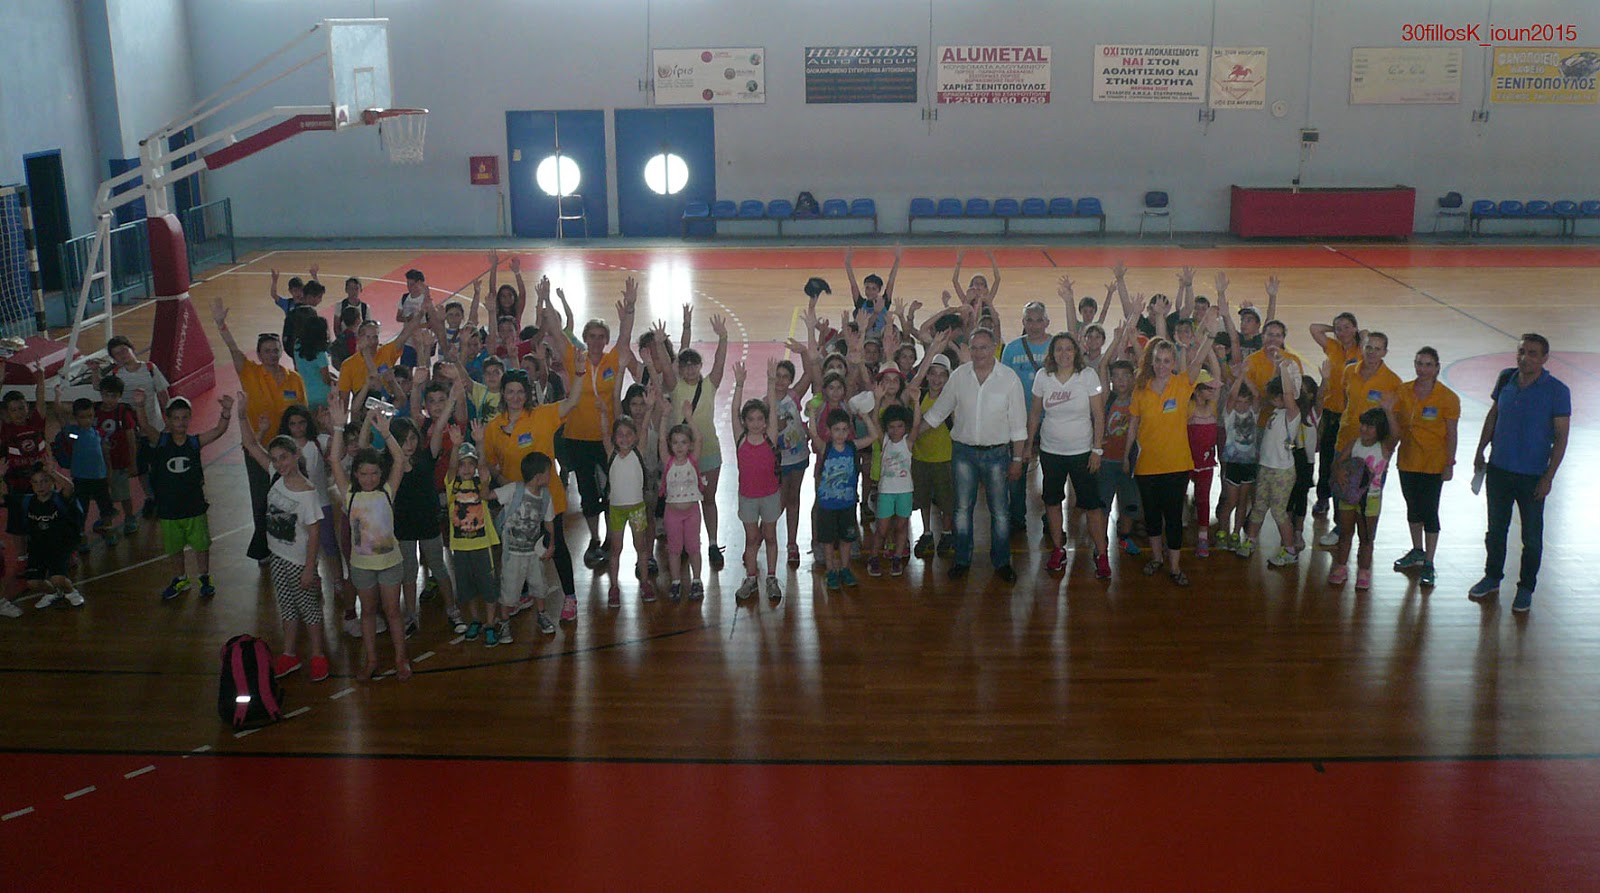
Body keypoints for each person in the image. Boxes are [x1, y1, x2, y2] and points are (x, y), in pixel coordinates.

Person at [1470, 334, 1570, 613]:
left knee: (1532, 537)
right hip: (1499, 471)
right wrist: (1480, 449)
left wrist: (1548, 477)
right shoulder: (1506, 378)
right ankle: (1492, 577)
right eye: (1522, 351)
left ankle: (1526, 588)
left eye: (1533, 353)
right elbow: (1494, 415)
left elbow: (1561, 437)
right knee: (1495, 530)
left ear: (1545, 358)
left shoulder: (1557, 391)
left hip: (1532, 476)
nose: (1525, 358)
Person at [920, 327, 1027, 583]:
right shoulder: (959, 376)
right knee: (961, 510)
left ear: (994, 348)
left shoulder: (1009, 379)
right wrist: (911, 437)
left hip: (998, 455)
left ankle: (1002, 562)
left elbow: (1018, 425)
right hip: (964, 454)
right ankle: (962, 560)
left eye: (984, 347)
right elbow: (937, 413)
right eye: (975, 348)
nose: (979, 353)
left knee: (1000, 512)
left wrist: (1017, 459)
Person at [481, 368, 583, 620]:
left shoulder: (543, 415)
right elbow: (491, 461)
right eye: (510, 391)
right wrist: (503, 482)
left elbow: (572, 401)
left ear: (527, 394)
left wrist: (579, 373)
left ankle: (570, 597)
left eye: (520, 392)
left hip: (548, 497)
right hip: (516, 501)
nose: (515, 397)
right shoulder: (493, 427)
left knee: (555, 545)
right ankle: (525, 592)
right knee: (521, 547)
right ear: (503, 393)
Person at [238, 403, 329, 682]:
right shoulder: (275, 475)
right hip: (277, 555)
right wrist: (241, 415)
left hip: (299, 562)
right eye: (275, 459)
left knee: (309, 610)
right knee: (287, 607)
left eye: (284, 458)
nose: (279, 463)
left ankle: (318, 655)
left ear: (296, 455)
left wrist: (309, 568)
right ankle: (289, 654)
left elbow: (314, 533)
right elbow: (251, 444)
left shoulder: (308, 493)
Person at [214, 298, 309, 564]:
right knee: (260, 499)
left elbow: (302, 414)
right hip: (257, 447)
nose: (272, 355)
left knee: (290, 498)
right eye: (267, 351)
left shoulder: (294, 379)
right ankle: (263, 547)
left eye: (275, 350)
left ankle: (288, 543)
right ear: (258, 354)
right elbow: (233, 350)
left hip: (287, 451)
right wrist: (221, 326)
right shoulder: (250, 372)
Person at [1125, 319, 1217, 587]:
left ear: (1174, 363)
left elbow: (1198, 359)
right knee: (1152, 518)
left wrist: (1210, 334)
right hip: (1146, 466)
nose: (1162, 365)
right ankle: (1156, 558)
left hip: (1177, 466)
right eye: (1158, 360)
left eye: (1167, 361)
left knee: (1174, 518)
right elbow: (1133, 425)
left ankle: (1175, 567)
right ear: (1151, 361)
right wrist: (1126, 456)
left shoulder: (1182, 383)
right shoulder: (1140, 389)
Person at [328, 399, 411, 681]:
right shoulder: (349, 495)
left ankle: (400, 658)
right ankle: (371, 659)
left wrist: (386, 433)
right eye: (363, 474)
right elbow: (333, 461)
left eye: (374, 473)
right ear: (355, 474)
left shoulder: (387, 491)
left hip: (390, 563)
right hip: (362, 566)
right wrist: (338, 427)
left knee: (393, 612)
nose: (369, 478)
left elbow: (399, 460)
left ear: (381, 474)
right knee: (368, 613)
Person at [561, 279, 637, 570]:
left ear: (606, 340)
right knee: (587, 491)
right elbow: (555, 330)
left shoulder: (612, 360)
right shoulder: (574, 358)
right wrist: (545, 304)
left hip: (607, 439)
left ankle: (610, 538)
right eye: (591, 336)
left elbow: (626, 336)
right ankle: (594, 538)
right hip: (578, 437)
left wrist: (630, 308)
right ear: (584, 338)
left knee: (613, 489)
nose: (595, 341)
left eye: (600, 336)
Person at [132, 392, 232, 600]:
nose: (181, 422)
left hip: (194, 507)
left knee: (201, 546)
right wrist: (140, 405)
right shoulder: (161, 441)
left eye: (185, 417)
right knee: (175, 548)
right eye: (176, 418)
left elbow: (219, 431)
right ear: (168, 420)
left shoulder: (194, 442)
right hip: (169, 509)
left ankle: (204, 577)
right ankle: (181, 578)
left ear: (190, 418)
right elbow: (145, 426)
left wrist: (226, 411)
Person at [1027, 332, 1110, 579]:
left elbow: (1099, 415)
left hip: (1082, 453)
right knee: (1052, 502)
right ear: (1052, 353)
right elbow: (1034, 414)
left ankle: (1102, 553)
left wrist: (1096, 449)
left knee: (1092, 505)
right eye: (1059, 349)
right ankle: (1058, 549)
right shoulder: (1043, 377)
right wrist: (1028, 445)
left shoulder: (1088, 376)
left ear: (1076, 352)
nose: (1064, 354)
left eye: (1069, 349)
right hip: (1050, 452)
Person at [662, 308, 730, 570]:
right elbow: (665, 366)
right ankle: (684, 544)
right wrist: (659, 343)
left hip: (709, 451)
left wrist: (723, 338)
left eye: (694, 364)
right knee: (680, 502)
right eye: (685, 365)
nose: (690, 369)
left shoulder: (709, 385)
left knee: (708, 499)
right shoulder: (675, 386)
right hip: (682, 455)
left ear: (700, 366)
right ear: (679, 368)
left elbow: (720, 363)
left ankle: (712, 543)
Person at [1322, 331, 1401, 548]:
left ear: (1385, 352)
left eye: (1377, 349)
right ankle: (1341, 528)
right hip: (1346, 440)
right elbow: (1346, 401)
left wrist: (1387, 450)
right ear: (1363, 348)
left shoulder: (1393, 381)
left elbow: (1394, 420)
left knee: (1370, 493)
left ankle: (1366, 536)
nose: (1372, 352)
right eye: (1369, 347)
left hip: (1373, 450)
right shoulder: (1350, 371)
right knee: (1341, 486)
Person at [1392, 347, 1460, 589]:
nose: (1423, 369)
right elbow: (1396, 425)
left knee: (1430, 511)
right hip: (1407, 460)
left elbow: (1452, 433)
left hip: (1433, 464)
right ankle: (1417, 550)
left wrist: (1449, 463)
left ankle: (1429, 561)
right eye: (1419, 363)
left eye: (1428, 364)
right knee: (1412, 507)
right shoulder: (1403, 391)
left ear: (1437, 368)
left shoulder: (1448, 398)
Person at [1328, 400, 1399, 590]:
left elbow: (1396, 435)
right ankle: (1341, 566)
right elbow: (1337, 463)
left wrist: (1388, 411)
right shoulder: (1354, 444)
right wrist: (1338, 471)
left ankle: (1364, 570)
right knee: (1345, 533)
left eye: (1370, 426)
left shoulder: (1384, 447)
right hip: (1348, 497)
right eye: (1363, 425)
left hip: (1371, 499)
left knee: (1366, 538)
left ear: (1380, 430)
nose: (1364, 429)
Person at [731, 360, 784, 600]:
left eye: (759, 419)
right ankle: (751, 578)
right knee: (752, 539)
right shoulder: (741, 438)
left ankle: (771, 577)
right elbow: (734, 411)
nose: (755, 423)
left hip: (770, 495)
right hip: (748, 497)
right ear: (744, 422)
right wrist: (739, 384)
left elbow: (772, 407)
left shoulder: (770, 436)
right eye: (750, 419)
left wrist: (771, 381)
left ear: (765, 421)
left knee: (770, 537)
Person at [1244, 361, 1304, 568]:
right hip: (1266, 467)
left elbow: (1288, 394)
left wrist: (1285, 371)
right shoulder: (1277, 413)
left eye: (1275, 397)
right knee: (1259, 507)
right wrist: (1278, 370)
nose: (1271, 400)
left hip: (1281, 472)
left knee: (1279, 512)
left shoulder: (1292, 414)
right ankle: (1250, 540)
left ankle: (1290, 550)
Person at [810, 406, 877, 591]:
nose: (840, 434)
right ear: (829, 431)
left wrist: (865, 417)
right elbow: (813, 434)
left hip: (847, 504)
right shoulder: (825, 448)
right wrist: (813, 414)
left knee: (846, 539)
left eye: (844, 429)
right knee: (828, 541)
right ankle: (831, 570)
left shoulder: (852, 447)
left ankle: (845, 569)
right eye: (836, 430)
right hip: (827, 505)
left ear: (849, 430)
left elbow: (873, 436)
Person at [3, 455, 84, 609]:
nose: (40, 486)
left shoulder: (59, 499)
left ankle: (71, 592)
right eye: (35, 482)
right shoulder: (27, 501)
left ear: (52, 482)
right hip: (37, 548)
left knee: (57, 579)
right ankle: (53, 593)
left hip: (59, 546)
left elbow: (69, 487)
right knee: (33, 583)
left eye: (44, 481)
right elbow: (4, 498)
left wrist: (53, 472)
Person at [1002, 300, 1053, 535]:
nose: (1034, 325)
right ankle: (1016, 516)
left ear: (1047, 322)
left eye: (1038, 320)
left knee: (1052, 472)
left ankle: (1051, 517)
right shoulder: (1012, 349)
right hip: (1019, 420)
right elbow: (1003, 384)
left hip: (1051, 420)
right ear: (1023, 322)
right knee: (1017, 468)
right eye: (1029, 320)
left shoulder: (1057, 346)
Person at [445, 431, 502, 645]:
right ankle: (476, 620)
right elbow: (451, 468)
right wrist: (455, 446)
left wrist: (480, 442)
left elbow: (484, 467)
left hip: (481, 545)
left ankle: (490, 623)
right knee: (466, 588)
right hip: (461, 547)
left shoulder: (481, 485)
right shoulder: (452, 486)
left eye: (471, 464)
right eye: (462, 464)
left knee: (488, 587)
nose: (466, 468)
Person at [494, 452, 560, 636]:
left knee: (539, 585)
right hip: (512, 554)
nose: (550, 476)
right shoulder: (514, 490)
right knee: (509, 589)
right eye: (548, 472)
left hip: (533, 552)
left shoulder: (545, 496)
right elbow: (490, 495)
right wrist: (484, 480)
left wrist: (551, 545)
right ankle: (504, 622)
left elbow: (549, 522)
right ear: (538, 477)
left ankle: (542, 614)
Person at [1308, 312, 1364, 515]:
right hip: (1331, 412)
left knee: (1350, 457)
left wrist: (1358, 335)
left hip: (1352, 414)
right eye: (1339, 328)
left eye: (1347, 327)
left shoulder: (1362, 349)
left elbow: (1367, 335)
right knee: (1327, 458)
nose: (1342, 332)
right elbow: (1314, 328)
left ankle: (1349, 497)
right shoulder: (1332, 346)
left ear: (1355, 328)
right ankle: (1323, 498)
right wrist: (1336, 330)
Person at [600, 395, 653, 607]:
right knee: (616, 549)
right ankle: (614, 586)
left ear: (635, 437)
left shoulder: (639, 452)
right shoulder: (611, 453)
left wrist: (649, 409)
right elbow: (604, 433)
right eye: (620, 435)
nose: (624, 438)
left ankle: (645, 582)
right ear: (614, 438)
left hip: (637, 509)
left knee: (641, 546)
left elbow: (645, 429)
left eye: (629, 434)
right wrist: (603, 413)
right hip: (616, 511)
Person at [659, 401, 708, 601]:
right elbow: (661, 440)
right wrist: (664, 415)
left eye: (683, 442)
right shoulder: (668, 461)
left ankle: (697, 580)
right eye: (675, 442)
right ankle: (676, 582)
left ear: (689, 445)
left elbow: (699, 438)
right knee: (674, 550)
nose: (679, 446)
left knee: (694, 547)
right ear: (670, 445)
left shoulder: (692, 460)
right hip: (672, 514)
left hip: (692, 512)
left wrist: (689, 418)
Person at [52, 397, 114, 552]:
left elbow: (105, 453)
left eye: (90, 416)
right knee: (81, 509)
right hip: (81, 479)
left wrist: (109, 472)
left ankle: (107, 529)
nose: (87, 420)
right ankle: (81, 535)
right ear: (75, 417)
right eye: (82, 417)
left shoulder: (99, 432)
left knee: (106, 506)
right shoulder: (74, 434)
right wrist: (58, 397)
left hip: (100, 478)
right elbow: (61, 418)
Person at [870, 392, 921, 579]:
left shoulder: (908, 442)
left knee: (901, 526)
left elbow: (917, 424)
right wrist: (877, 401)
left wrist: (916, 402)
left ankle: (897, 557)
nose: (895, 430)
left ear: (905, 426)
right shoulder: (884, 441)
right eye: (891, 427)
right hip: (886, 492)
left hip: (905, 491)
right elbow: (875, 421)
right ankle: (874, 557)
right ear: (887, 428)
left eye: (899, 426)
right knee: (882, 529)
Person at [94, 375, 139, 537]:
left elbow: (131, 439)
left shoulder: (123, 413)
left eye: (113, 396)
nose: (109, 399)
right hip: (101, 464)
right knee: (104, 494)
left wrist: (133, 463)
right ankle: (107, 519)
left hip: (119, 462)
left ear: (120, 396)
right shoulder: (95, 411)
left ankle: (130, 517)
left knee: (124, 493)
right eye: (106, 395)